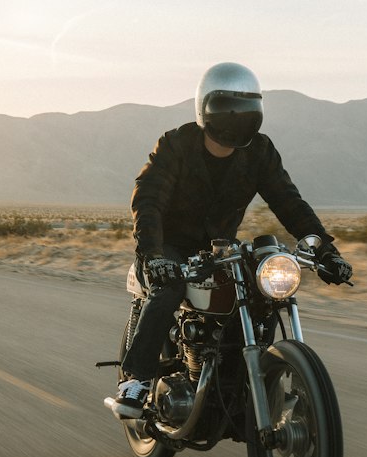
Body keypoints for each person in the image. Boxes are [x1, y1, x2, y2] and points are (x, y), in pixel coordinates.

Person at [109, 63, 353, 418]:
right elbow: (148, 200)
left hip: (221, 248)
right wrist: (153, 254)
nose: (236, 118)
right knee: (169, 289)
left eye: (245, 109)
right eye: (228, 109)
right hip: (170, 245)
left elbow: (289, 202)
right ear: (206, 109)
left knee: (262, 292)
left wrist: (325, 251)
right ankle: (137, 379)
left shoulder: (259, 152)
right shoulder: (176, 145)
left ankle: (253, 379)